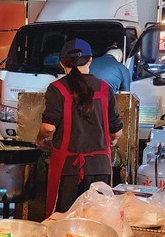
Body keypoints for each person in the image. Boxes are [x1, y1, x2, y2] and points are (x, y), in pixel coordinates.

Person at [35, 39, 123, 215]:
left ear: (62, 63)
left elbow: (49, 127)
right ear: (90, 60)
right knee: (97, 221)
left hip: (68, 170)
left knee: (65, 222)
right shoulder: (105, 88)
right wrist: (112, 140)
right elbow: (117, 131)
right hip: (99, 169)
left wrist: (40, 139)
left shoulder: (57, 88)